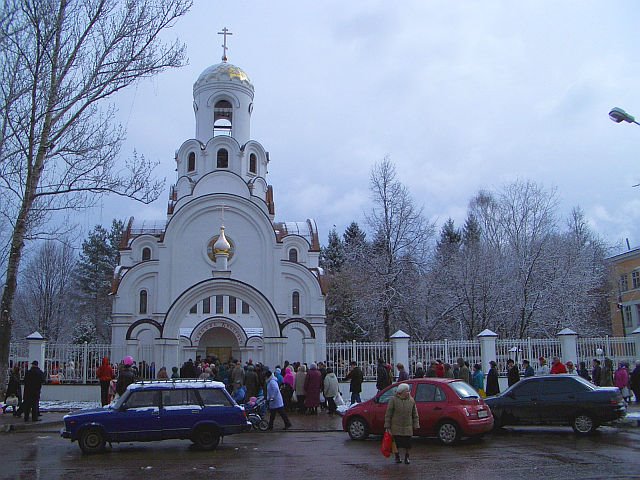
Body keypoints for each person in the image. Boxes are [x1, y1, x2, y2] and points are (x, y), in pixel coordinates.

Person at [384, 383, 419, 465]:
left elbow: (415, 414)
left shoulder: (411, 400)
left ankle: (407, 457)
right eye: (407, 391)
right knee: (397, 443)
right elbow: (388, 414)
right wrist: (387, 425)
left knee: (408, 444)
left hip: (408, 426)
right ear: (401, 392)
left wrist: (416, 424)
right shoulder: (393, 400)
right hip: (396, 426)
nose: (408, 392)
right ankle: (397, 456)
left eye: (409, 391)